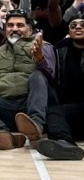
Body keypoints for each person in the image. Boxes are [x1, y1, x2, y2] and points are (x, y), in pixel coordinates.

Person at [0, 11, 54, 150]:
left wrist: (40, 59)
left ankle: (36, 126)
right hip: (6, 105)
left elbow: (52, 76)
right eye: (10, 25)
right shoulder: (0, 51)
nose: (14, 29)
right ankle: (2, 133)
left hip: (33, 102)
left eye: (20, 25)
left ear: (30, 29)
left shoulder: (43, 46)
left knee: (37, 76)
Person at [36, 13, 84, 160]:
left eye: (82, 25)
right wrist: (40, 59)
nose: (78, 27)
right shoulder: (60, 49)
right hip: (70, 111)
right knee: (54, 114)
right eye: (73, 25)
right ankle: (64, 145)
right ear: (68, 31)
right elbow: (50, 73)